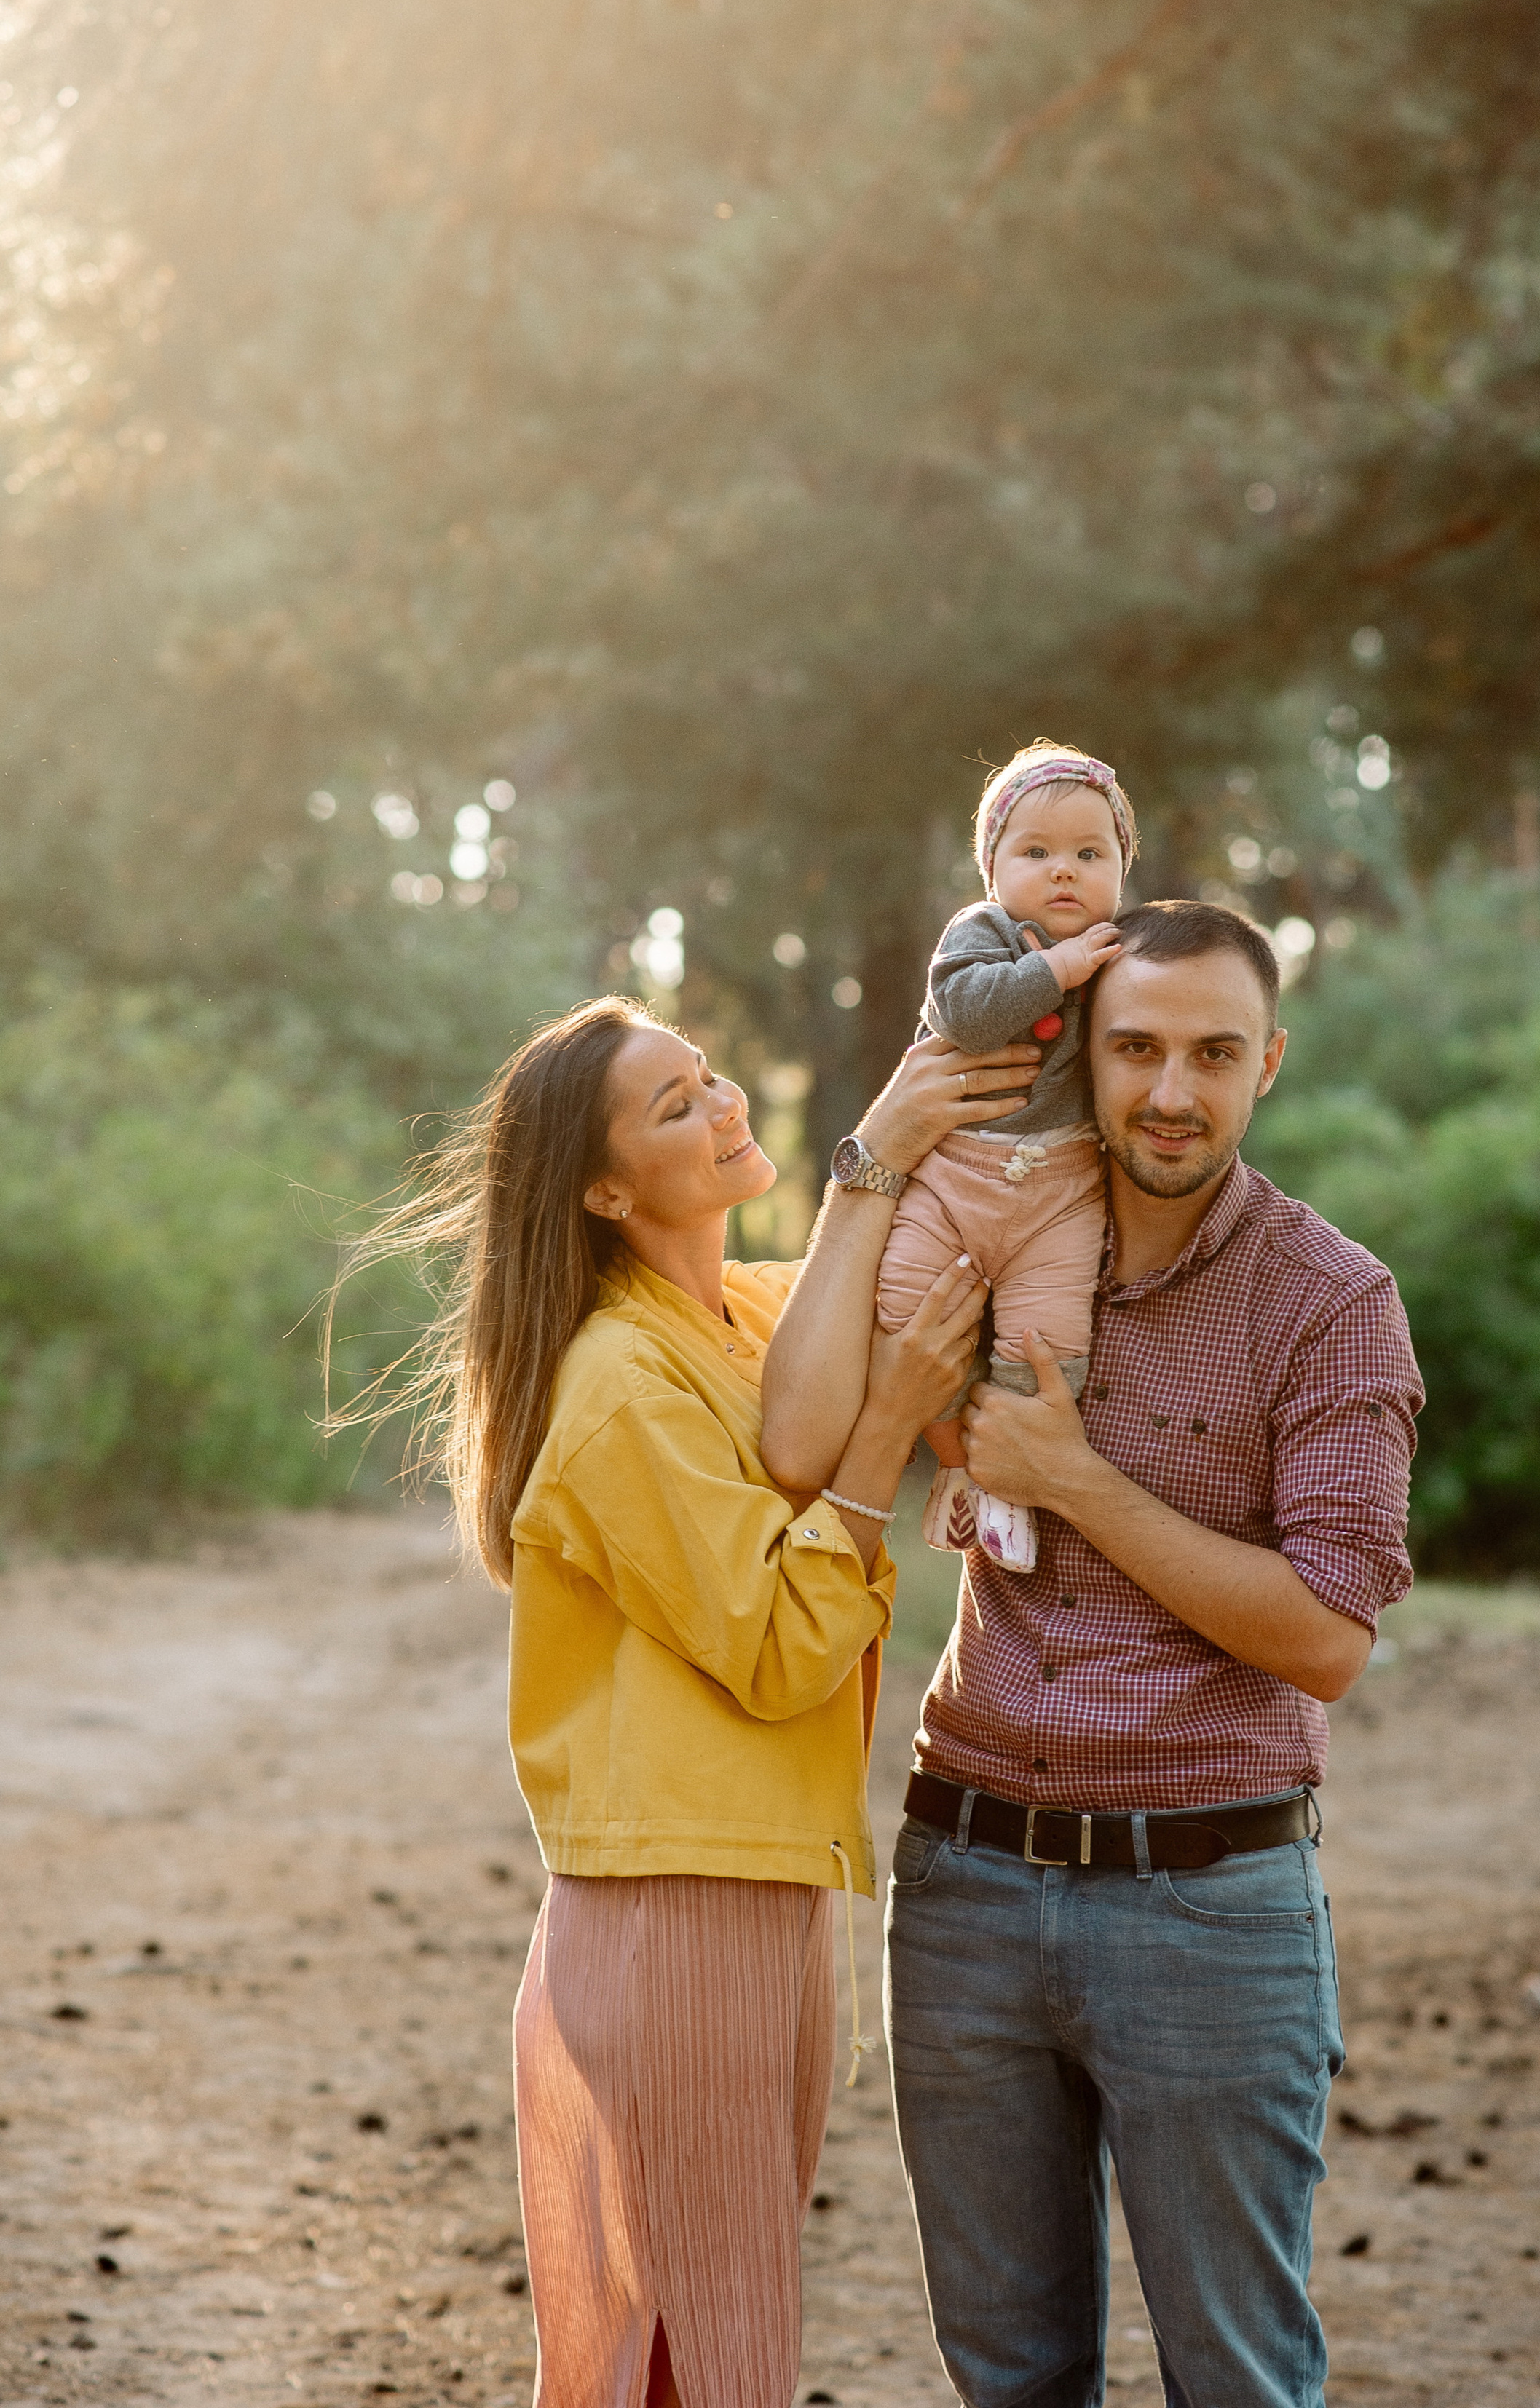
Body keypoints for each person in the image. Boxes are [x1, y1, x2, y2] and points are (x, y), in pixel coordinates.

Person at [330, 994, 1036, 2408]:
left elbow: (913, 1268)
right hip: (675, 1902)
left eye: (709, 1075)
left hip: (756, 1878)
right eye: (674, 1105)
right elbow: (780, 1642)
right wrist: (884, 1422)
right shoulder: (615, 1380)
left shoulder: (750, 1314)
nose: (722, 1104)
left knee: (695, 2327)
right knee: (700, 2344)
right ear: (603, 1190)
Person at [762, 900, 1423, 2408]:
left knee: (1236, 2377)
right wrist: (869, 1159)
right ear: (1081, 1048)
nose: (1170, 1091)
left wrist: (1073, 1482)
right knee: (1005, 2375)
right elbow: (800, 1439)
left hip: (1210, 1901)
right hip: (963, 1884)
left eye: (1212, 1054)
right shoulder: (978, 1238)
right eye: (1136, 1049)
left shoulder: (1330, 1304)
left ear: (1269, 1062)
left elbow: (1328, 1637)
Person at [877, 740, 1136, 1572]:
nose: (1064, 871)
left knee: (1048, 1344)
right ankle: (952, 1459)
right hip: (957, 1171)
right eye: (1035, 852)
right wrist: (1056, 969)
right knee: (903, 1307)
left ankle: (1004, 1489)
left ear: (1121, 872)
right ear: (992, 870)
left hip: (1060, 1189)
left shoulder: (1122, 953)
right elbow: (964, 1013)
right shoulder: (982, 932)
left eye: (1089, 854)